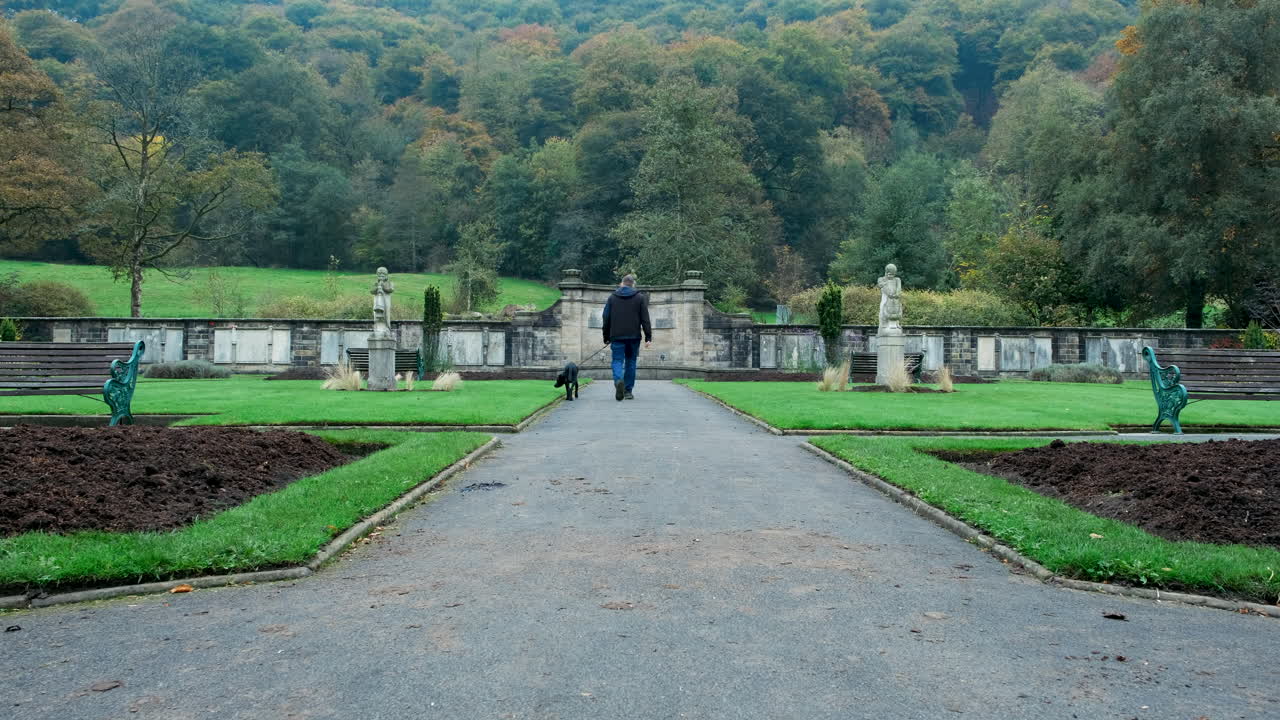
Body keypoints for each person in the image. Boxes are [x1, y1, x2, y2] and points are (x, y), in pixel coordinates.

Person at [602, 274, 652, 401]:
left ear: (622, 283)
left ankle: (619, 380)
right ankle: (628, 391)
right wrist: (648, 337)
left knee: (617, 361)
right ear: (633, 284)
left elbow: (606, 317)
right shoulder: (640, 298)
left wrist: (606, 336)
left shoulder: (612, 298)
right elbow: (645, 319)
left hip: (617, 336)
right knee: (631, 362)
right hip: (633, 337)